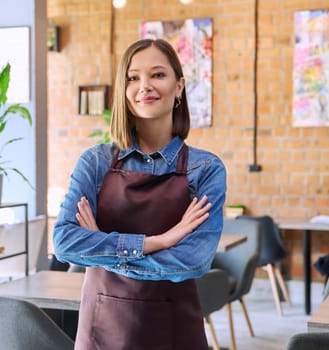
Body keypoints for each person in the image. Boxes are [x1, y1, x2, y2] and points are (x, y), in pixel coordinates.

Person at [53, 38, 227, 350]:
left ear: (179, 87)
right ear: (123, 89)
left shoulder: (206, 169)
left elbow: (191, 261)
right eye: (133, 78)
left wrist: (104, 253)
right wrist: (157, 242)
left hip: (175, 331)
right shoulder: (95, 162)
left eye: (158, 75)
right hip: (101, 333)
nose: (144, 86)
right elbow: (65, 243)